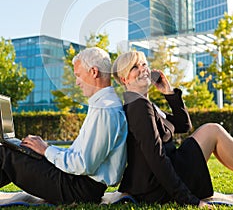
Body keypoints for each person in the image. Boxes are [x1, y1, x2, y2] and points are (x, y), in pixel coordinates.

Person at [0, 47, 127, 205]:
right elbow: (79, 156)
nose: (77, 82)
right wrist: (44, 149)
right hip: (76, 181)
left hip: (78, 188)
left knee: (5, 153)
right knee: (15, 150)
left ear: (94, 72)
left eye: (78, 75)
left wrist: (46, 150)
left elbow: (83, 164)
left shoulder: (105, 110)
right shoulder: (103, 105)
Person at [112, 50, 233, 208]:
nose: (143, 69)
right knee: (213, 130)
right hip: (157, 187)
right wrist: (189, 200)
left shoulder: (145, 104)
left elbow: (183, 125)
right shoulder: (138, 106)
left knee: (212, 129)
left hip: (165, 174)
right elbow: (156, 156)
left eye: (144, 64)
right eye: (134, 67)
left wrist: (168, 92)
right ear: (124, 79)